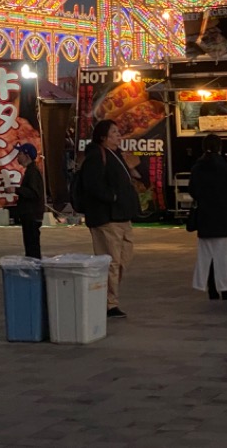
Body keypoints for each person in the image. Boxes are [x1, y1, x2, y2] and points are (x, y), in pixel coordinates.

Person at [79, 119, 140, 319]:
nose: (118, 135)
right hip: (107, 217)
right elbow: (92, 184)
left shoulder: (117, 155)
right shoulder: (97, 155)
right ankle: (108, 303)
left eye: (118, 131)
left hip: (123, 216)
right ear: (103, 137)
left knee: (123, 259)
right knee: (111, 262)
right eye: (114, 132)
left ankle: (108, 298)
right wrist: (111, 197)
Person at [188, 134, 227, 301]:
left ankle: (212, 288)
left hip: (205, 217)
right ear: (220, 147)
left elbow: (193, 191)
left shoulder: (198, 167)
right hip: (225, 216)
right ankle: (225, 288)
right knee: (225, 255)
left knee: (208, 255)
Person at [14, 143, 44, 259]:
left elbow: (34, 193)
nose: (18, 157)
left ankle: (35, 271)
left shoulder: (32, 172)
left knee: (32, 247)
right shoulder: (30, 171)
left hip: (31, 214)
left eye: (20, 153)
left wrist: (16, 190)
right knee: (31, 245)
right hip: (29, 214)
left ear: (27, 155)